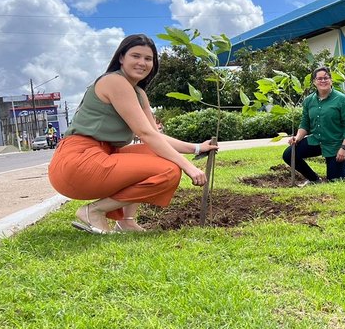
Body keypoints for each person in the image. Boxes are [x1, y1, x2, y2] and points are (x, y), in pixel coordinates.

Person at [48, 34, 218, 234]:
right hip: (78, 162)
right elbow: (145, 133)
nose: (142, 63)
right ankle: (93, 211)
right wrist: (189, 167)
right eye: (135, 56)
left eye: (148, 58)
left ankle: (126, 221)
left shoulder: (138, 93)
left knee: (154, 153)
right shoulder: (114, 81)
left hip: (101, 155)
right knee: (169, 171)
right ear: (121, 58)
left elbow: (155, 136)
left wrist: (197, 148)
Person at [282, 66, 345, 185]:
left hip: (335, 144)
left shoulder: (341, 99)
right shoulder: (308, 101)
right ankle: (314, 179)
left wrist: (343, 148)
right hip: (316, 141)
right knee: (289, 154)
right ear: (314, 82)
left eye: (326, 78)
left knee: (335, 180)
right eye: (319, 78)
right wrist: (297, 138)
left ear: (331, 80)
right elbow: (305, 124)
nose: (323, 81)